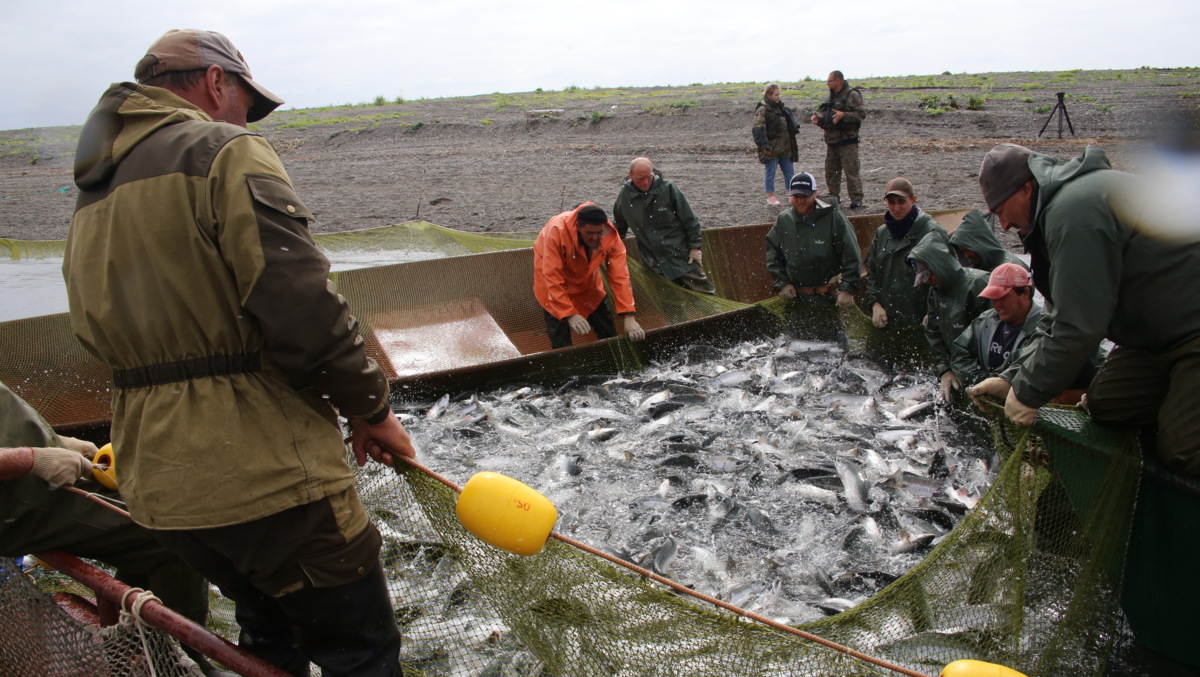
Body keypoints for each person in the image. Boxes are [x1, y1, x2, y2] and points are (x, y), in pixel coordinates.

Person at [62, 30, 414, 676]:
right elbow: (304, 312)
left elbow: (90, 333)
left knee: (266, 639)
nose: (245, 120)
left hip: (165, 493)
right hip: (270, 482)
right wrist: (372, 408)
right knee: (362, 654)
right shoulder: (223, 152)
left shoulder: (93, 195)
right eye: (246, 104)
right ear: (216, 82)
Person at [968, 143, 1200, 476]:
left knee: (1182, 450)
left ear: (1026, 188)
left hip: (1191, 331)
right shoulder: (1058, 212)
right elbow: (1055, 316)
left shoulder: (1074, 212)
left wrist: (1029, 395)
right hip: (1152, 339)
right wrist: (1012, 380)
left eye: (1001, 210)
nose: (1002, 225)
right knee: (1106, 405)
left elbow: (1079, 326)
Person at [0, 380, 220, 675]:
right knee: (176, 537)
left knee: (161, 508)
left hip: (25, 480)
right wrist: (32, 458)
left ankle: (135, 647)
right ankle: (178, 664)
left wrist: (56, 440)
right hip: (17, 495)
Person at [534, 203, 646, 348]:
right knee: (561, 344)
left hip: (589, 286)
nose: (595, 238)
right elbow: (551, 277)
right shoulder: (557, 231)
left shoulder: (610, 236)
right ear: (578, 227)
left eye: (599, 233)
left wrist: (629, 316)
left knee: (608, 332)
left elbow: (620, 277)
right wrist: (569, 314)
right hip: (551, 290)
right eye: (589, 233)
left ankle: (613, 360)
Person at [906, 232, 993, 402]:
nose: (928, 281)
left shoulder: (978, 284)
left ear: (941, 266)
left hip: (983, 372)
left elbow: (994, 333)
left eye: (929, 275)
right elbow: (933, 331)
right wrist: (945, 369)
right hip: (956, 370)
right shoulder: (935, 292)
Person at [612, 157, 715, 295]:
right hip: (653, 262)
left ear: (653, 172)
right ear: (630, 175)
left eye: (649, 177)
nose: (645, 182)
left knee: (704, 293)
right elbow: (619, 228)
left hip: (681, 255)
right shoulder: (625, 197)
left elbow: (690, 219)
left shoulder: (668, 188)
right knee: (669, 300)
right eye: (640, 178)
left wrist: (695, 247)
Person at [765, 172, 861, 308]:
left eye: (804, 196)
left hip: (830, 297)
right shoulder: (784, 220)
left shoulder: (834, 218)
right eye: (796, 196)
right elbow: (773, 254)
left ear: (815, 193)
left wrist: (848, 289)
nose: (800, 201)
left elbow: (852, 255)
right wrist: (782, 283)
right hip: (797, 298)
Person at [864, 178, 948, 329]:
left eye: (901, 202)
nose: (896, 208)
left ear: (913, 199)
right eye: (891, 202)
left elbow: (948, 276)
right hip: (887, 322)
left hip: (921, 322)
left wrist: (936, 311)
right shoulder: (882, 233)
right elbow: (872, 272)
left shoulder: (932, 232)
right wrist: (875, 304)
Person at [950, 263, 1043, 389]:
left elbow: (1024, 370)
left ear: (1025, 293)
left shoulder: (1042, 330)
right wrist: (981, 382)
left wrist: (995, 385)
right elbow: (959, 353)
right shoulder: (985, 320)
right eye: (993, 297)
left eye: (1003, 297)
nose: (997, 304)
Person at [810, 71, 866, 209]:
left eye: (830, 81)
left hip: (848, 140)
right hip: (832, 141)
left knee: (851, 171)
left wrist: (844, 115)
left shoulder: (852, 94)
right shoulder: (830, 97)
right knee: (831, 172)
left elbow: (861, 115)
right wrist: (820, 121)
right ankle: (834, 198)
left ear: (838, 80)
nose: (827, 83)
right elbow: (830, 119)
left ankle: (856, 198)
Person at [752, 83, 799, 207]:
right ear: (768, 95)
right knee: (770, 172)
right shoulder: (763, 109)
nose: (779, 97)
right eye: (776, 94)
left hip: (785, 148)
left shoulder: (781, 108)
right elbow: (758, 129)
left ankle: (792, 195)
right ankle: (771, 197)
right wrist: (764, 146)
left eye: (779, 94)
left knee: (789, 172)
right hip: (771, 149)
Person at [948, 209, 1028, 272]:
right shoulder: (982, 264)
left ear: (980, 243)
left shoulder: (1011, 267)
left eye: (967, 249)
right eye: (963, 252)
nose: (966, 255)